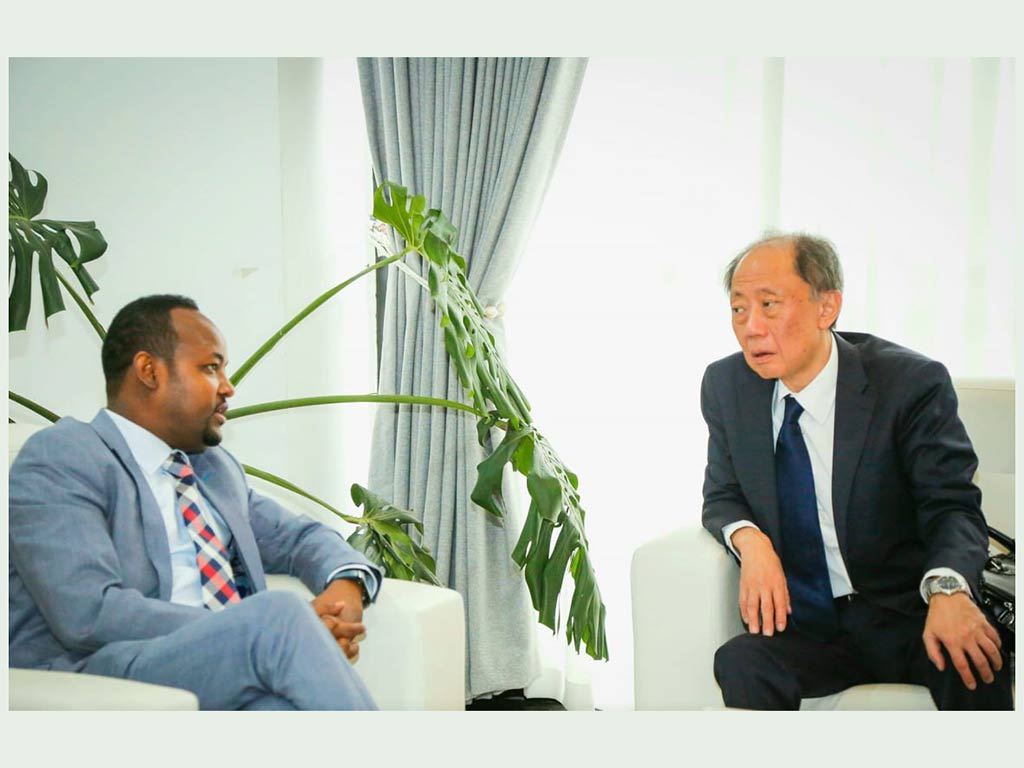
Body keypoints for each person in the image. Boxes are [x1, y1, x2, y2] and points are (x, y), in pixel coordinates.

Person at [9, 295, 383, 710]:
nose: (228, 386)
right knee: (280, 615)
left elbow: (299, 539)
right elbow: (87, 613)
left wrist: (347, 586)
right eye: (210, 367)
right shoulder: (64, 456)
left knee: (282, 712)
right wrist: (243, 628)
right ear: (149, 371)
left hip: (218, 668)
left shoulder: (211, 470)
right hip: (98, 672)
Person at [700, 234, 1012, 710]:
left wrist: (948, 590)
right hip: (808, 625)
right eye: (739, 309)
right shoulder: (728, 385)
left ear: (827, 307)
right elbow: (722, 493)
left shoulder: (909, 384)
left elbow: (951, 506)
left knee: (974, 658)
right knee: (741, 661)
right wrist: (752, 541)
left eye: (769, 305)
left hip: (909, 612)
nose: (751, 327)